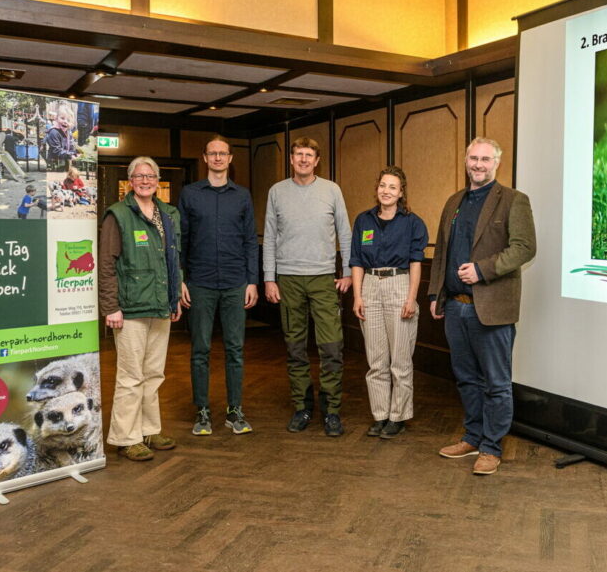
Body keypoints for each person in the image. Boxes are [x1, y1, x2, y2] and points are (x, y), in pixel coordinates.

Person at [428, 137, 536, 476]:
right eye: (473, 158)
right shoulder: (454, 201)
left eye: (485, 159)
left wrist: (482, 269)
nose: (478, 164)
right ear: (465, 161)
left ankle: (491, 446)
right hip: (455, 308)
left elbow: (524, 248)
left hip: (490, 308)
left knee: (496, 382)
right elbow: (442, 251)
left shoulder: (514, 201)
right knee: (466, 379)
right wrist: (434, 295)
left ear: (496, 163)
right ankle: (472, 436)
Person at [264, 137, 352, 437]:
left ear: (317, 161)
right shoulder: (277, 192)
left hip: (324, 278)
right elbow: (269, 236)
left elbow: (345, 231)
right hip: (288, 279)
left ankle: (331, 411)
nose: (303, 159)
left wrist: (350, 272)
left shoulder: (332, 190)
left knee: (332, 347)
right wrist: (269, 277)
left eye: (309, 155)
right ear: (291, 159)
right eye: (298, 154)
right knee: (295, 348)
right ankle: (302, 407)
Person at [99, 156, 182, 461]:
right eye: (139, 176)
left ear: (157, 181)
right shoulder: (117, 215)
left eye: (151, 176)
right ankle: (125, 437)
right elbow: (106, 264)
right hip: (130, 308)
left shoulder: (169, 213)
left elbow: (174, 259)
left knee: (153, 374)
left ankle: (149, 429)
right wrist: (111, 307)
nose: (146, 180)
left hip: (161, 304)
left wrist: (174, 298)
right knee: (130, 375)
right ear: (130, 181)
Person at [179, 136, 259, 436]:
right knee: (200, 350)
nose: (217, 158)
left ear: (230, 158)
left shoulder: (242, 196)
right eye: (212, 153)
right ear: (204, 157)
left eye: (222, 153)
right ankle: (202, 410)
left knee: (235, 350)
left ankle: (234, 410)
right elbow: (181, 240)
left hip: (236, 282)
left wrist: (252, 281)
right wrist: (182, 279)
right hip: (199, 283)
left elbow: (251, 240)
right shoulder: (190, 194)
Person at [349, 166, 428, 439]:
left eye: (393, 187)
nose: (386, 191)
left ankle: (398, 417)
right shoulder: (363, 220)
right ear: (377, 188)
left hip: (399, 285)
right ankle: (380, 415)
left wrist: (411, 298)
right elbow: (356, 260)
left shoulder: (413, 223)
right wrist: (357, 295)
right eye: (383, 185)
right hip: (369, 286)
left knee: (400, 360)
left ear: (401, 192)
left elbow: (416, 263)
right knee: (376, 361)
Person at [45, 102, 78, 171]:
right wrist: (70, 155)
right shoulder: (54, 132)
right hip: (55, 162)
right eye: (62, 118)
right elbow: (56, 150)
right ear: (56, 118)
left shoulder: (68, 132)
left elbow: (71, 146)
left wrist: (75, 153)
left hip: (65, 161)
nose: (65, 121)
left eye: (68, 120)